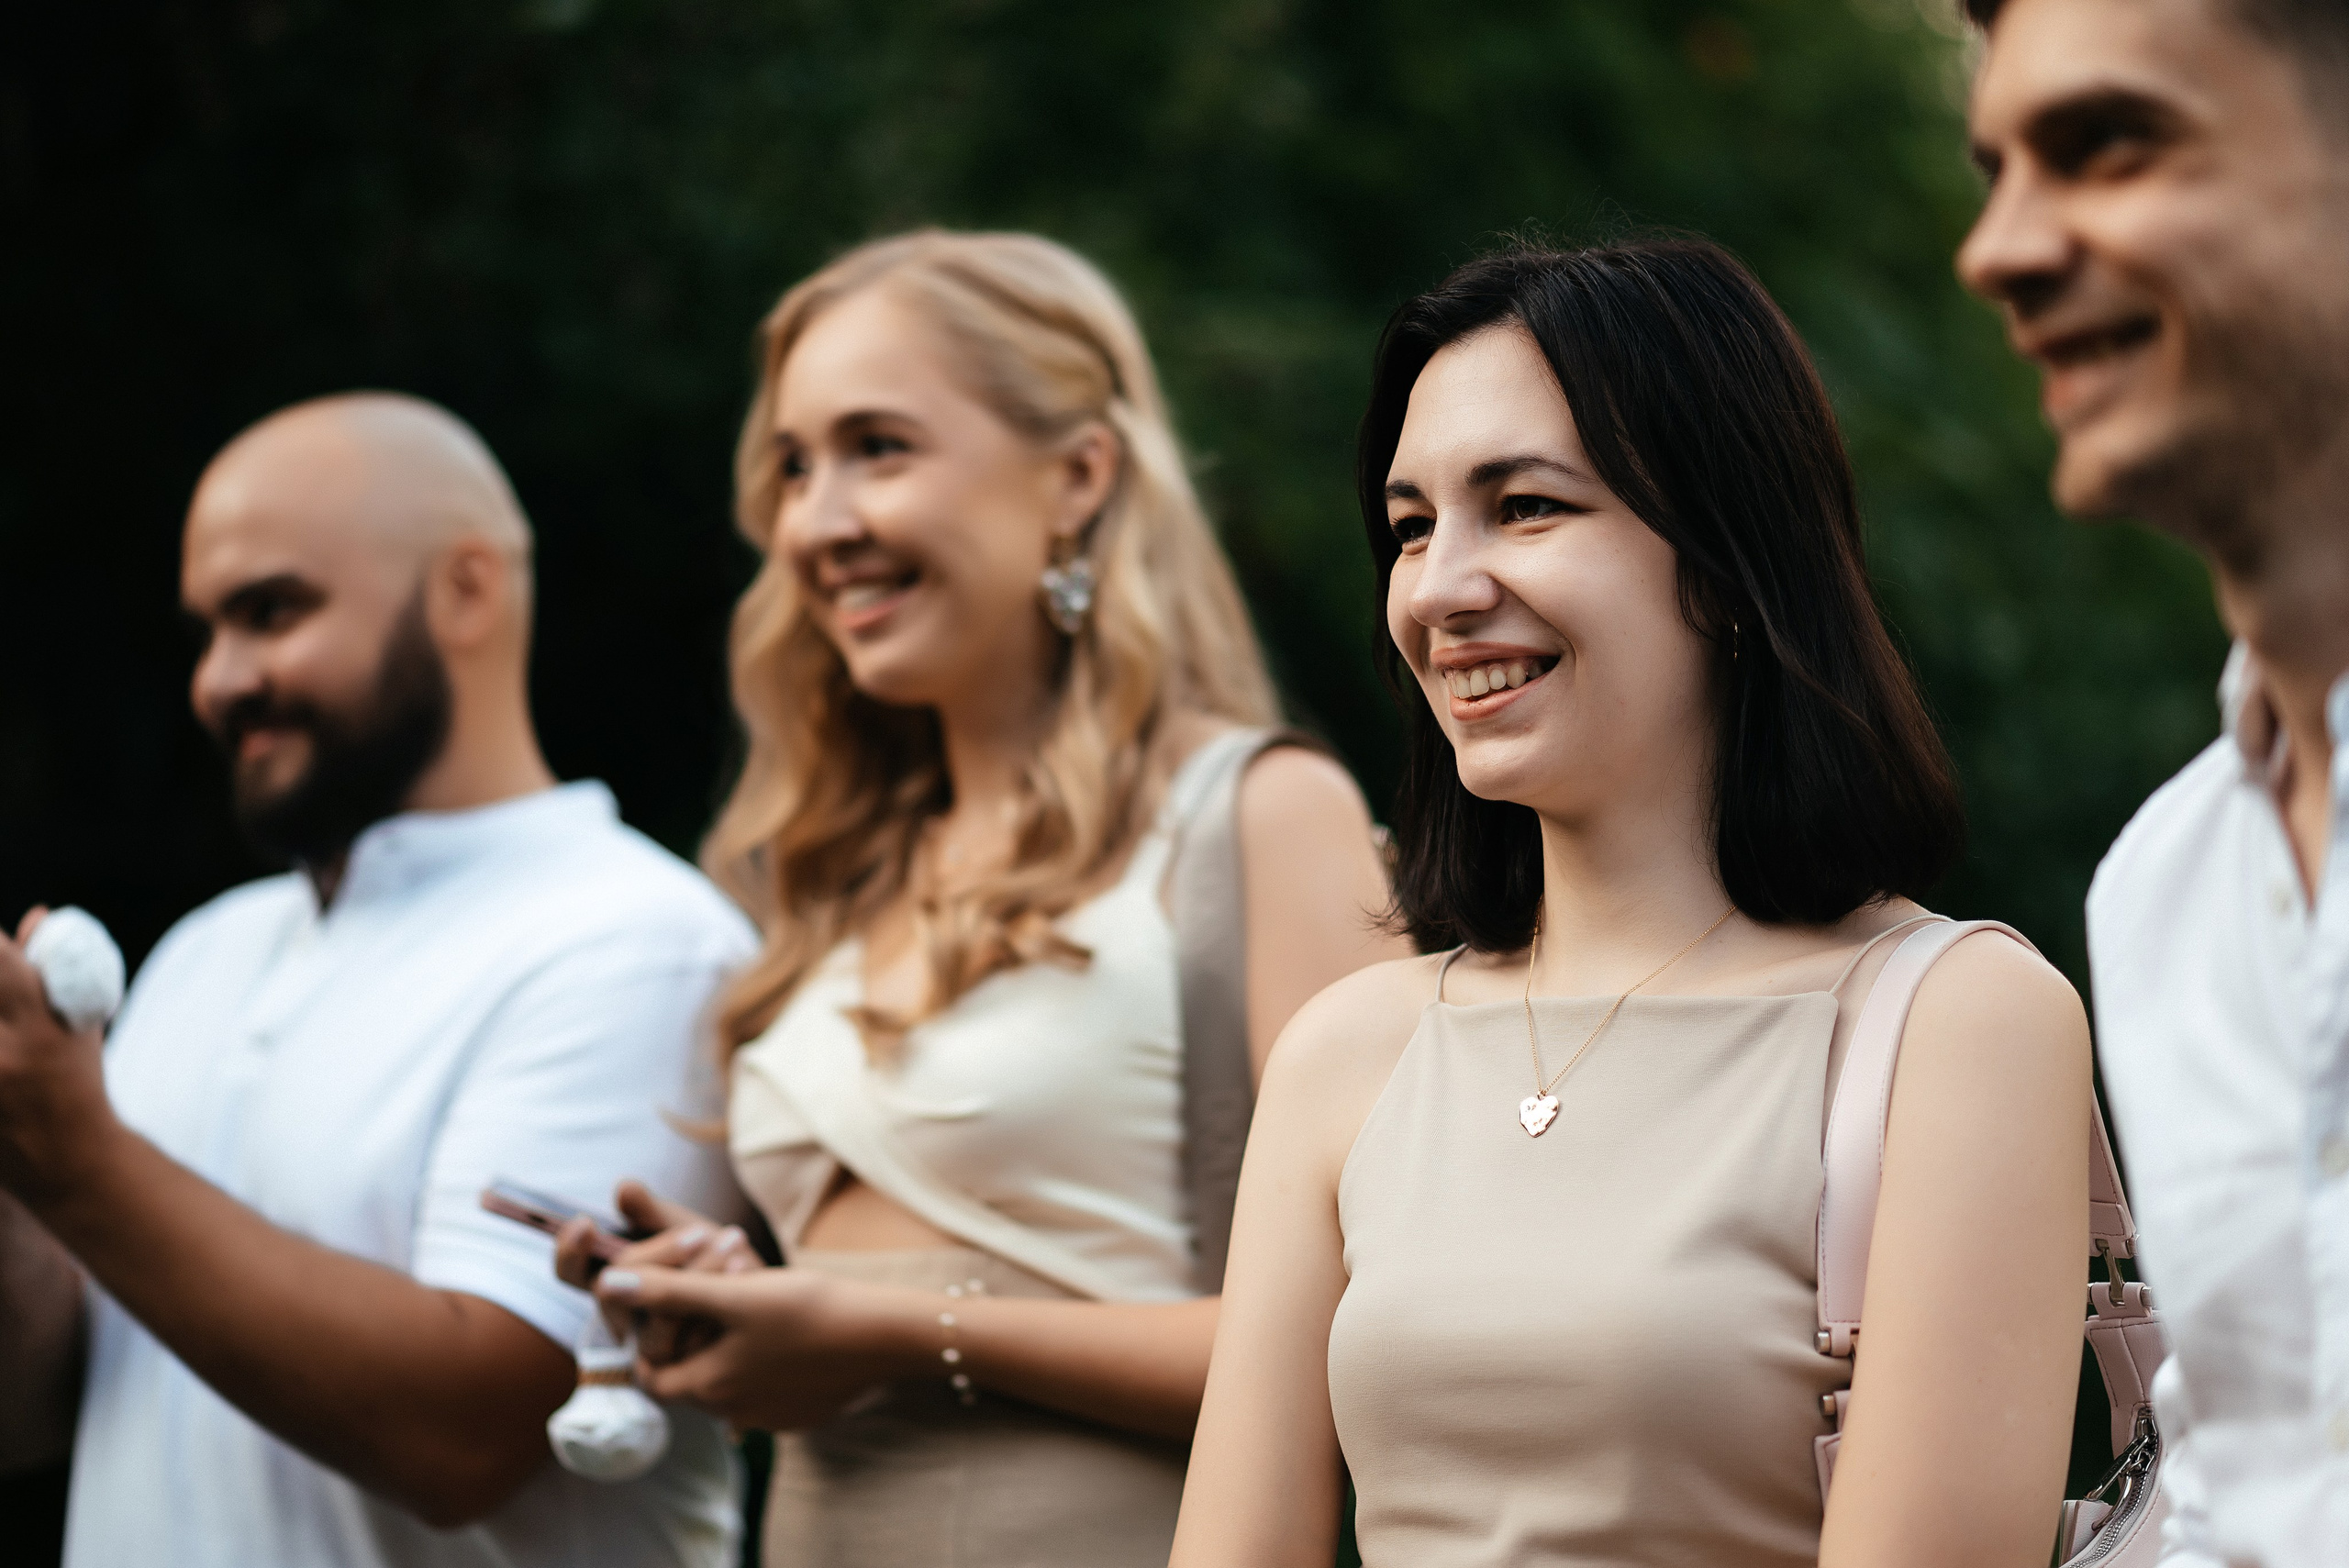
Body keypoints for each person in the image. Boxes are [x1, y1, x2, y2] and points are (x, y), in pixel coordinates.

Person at [1169, 239, 2095, 1568]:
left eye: (1525, 506)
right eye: (1412, 526)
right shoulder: (1349, 1050)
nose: (1440, 589)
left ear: (1724, 560)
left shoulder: (1954, 1022)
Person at [551, 228, 1405, 1568]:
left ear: (1077, 476)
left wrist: (901, 1331)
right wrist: (729, 1302)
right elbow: (837, 1308)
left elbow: (1388, 1324)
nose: (818, 522)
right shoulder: (830, 866)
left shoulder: (1256, 812)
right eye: (794, 465)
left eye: (878, 448)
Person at [0, 393, 753, 1568]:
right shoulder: (206, 950)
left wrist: (78, 1156)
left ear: (466, 590)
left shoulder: (639, 942)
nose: (217, 680)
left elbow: (463, 1435)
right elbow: (36, 1417)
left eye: (272, 610)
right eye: (207, 629)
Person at [1958, 0, 2349, 1561]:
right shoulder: (2163, 894)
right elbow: (2251, 1494)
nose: (1999, 249)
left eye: (2109, 145)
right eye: (1994, 171)